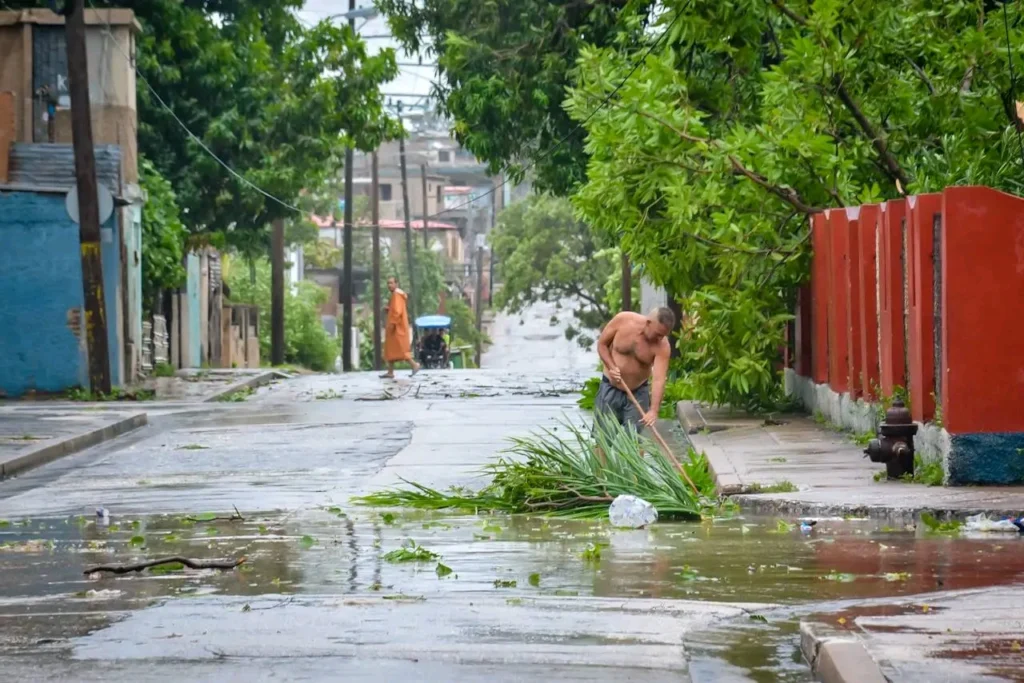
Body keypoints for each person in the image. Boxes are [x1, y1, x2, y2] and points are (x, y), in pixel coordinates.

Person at [594, 307, 675, 431]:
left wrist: (653, 410)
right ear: (648, 323)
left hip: (638, 392)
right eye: (658, 334)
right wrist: (611, 366)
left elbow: (658, 379)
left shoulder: (662, 346)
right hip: (610, 386)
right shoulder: (623, 320)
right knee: (604, 438)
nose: (659, 339)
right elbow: (602, 345)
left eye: (663, 336)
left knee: (635, 440)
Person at [382, 276, 420, 378]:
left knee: (401, 349)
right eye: (388, 283)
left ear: (396, 284)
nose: (389, 285)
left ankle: (414, 365)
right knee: (391, 349)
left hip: (397, 327)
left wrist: (393, 324)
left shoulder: (397, 294)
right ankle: (390, 371)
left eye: (391, 283)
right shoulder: (397, 295)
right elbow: (395, 309)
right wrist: (389, 309)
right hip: (397, 326)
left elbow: (397, 312)